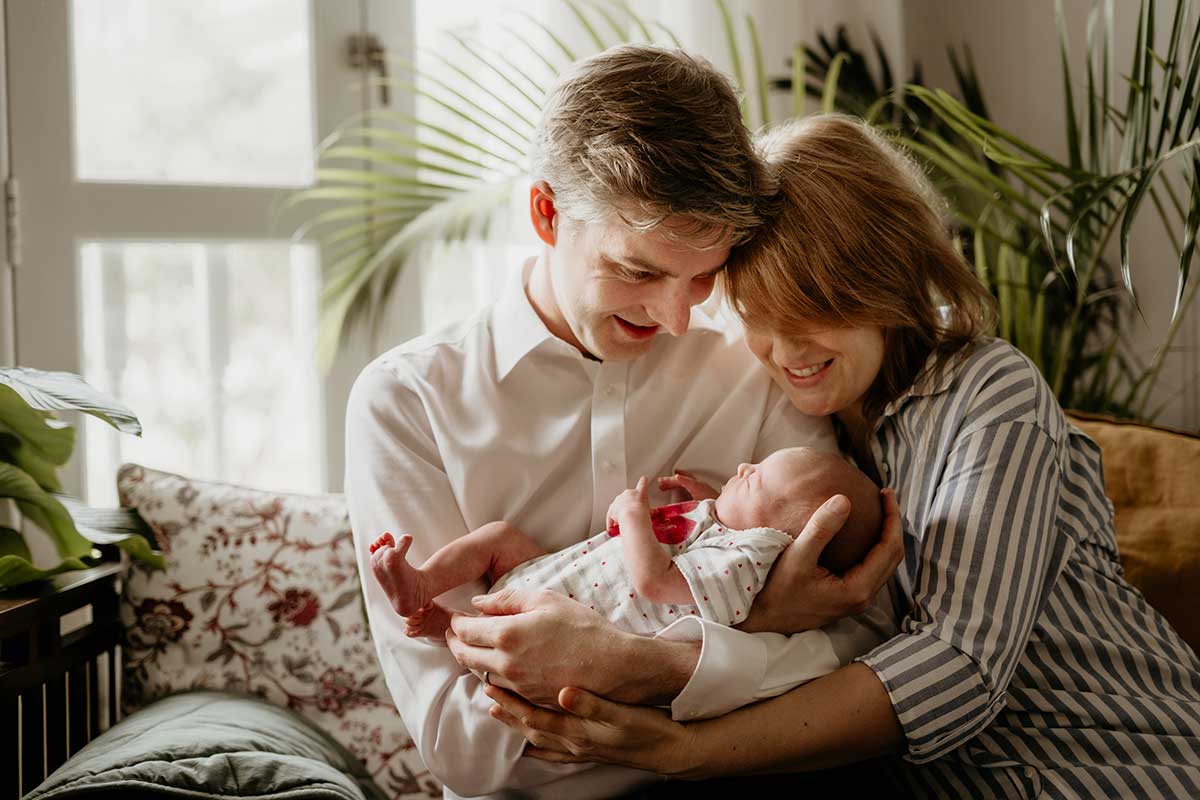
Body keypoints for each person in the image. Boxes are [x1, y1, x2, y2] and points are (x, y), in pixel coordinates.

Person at [484, 115, 1200, 799]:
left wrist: (688, 748)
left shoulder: (989, 393)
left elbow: (959, 666)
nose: (788, 353)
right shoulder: (795, 423)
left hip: (1117, 759)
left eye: (817, 310)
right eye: (763, 316)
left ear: (887, 279)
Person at [344, 49, 904, 799]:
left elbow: (863, 651)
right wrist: (757, 632)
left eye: (703, 274)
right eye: (639, 272)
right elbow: (464, 749)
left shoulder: (756, 375)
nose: (679, 317)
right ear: (547, 213)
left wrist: (636, 666)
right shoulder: (407, 403)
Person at [367, 447, 882, 640]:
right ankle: (422, 581)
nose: (744, 467)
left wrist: (636, 519)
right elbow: (702, 544)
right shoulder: (734, 537)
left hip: (562, 614)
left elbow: (657, 583)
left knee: (502, 631)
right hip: (557, 571)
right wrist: (706, 500)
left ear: (778, 538)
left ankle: (449, 624)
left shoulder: (743, 565)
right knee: (499, 537)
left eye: (758, 480)